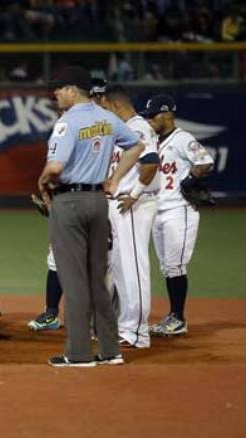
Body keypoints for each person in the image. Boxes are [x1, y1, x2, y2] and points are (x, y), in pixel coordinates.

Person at [38, 66, 144, 367]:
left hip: (69, 202)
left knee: (73, 280)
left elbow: (56, 168)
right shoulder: (106, 117)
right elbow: (136, 146)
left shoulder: (66, 122)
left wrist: (41, 179)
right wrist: (114, 180)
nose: (55, 94)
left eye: (59, 89)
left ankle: (79, 353)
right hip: (99, 201)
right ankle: (111, 350)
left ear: (73, 90)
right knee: (97, 279)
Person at [143, 94, 214, 337]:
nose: (150, 120)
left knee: (175, 265)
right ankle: (173, 316)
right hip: (157, 210)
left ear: (167, 114)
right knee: (166, 267)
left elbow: (205, 162)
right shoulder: (152, 139)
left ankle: (179, 318)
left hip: (178, 210)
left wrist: (191, 179)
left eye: (153, 115)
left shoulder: (183, 138)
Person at [97, 84, 161, 349]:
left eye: (104, 107)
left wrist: (134, 192)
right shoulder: (124, 129)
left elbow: (151, 162)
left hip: (133, 205)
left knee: (134, 268)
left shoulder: (138, 127)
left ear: (115, 105)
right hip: (120, 204)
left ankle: (137, 331)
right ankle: (128, 327)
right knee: (123, 268)